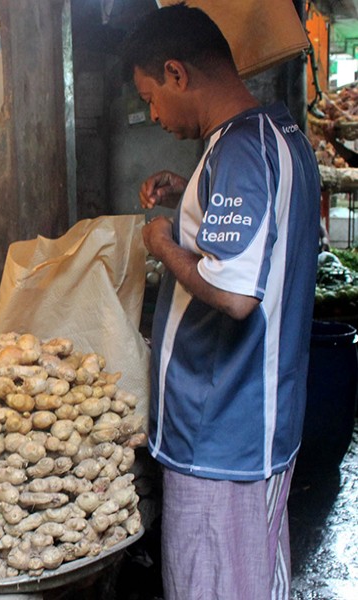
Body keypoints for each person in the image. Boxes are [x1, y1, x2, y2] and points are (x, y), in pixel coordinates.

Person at [122, 5, 320, 599]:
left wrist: (162, 241)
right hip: (261, 424)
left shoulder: (237, 152)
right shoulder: (280, 134)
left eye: (151, 96)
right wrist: (193, 195)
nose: (153, 115)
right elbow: (267, 233)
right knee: (254, 578)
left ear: (177, 74)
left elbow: (235, 294)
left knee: (211, 584)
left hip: (220, 436)